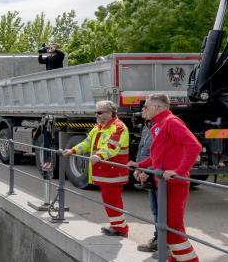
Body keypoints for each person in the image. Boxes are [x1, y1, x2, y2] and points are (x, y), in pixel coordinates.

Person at [129, 94, 201, 262]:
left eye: (146, 106)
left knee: (173, 228)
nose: (143, 109)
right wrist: (140, 164)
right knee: (169, 227)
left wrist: (179, 171)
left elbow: (194, 146)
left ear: (157, 107)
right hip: (165, 182)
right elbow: (159, 155)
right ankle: (174, 259)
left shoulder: (171, 122)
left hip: (175, 182)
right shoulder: (160, 124)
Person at [62, 100, 130, 236]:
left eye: (99, 112)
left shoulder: (119, 127)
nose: (96, 115)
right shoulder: (99, 127)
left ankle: (121, 229)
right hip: (105, 171)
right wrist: (73, 150)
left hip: (113, 172)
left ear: (110, 113)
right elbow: (87, 143)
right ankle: (117, 226)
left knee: (113, 200)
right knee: (109, 200)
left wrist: (99, 155)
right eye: (96, 112)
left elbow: (112, 147)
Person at [135, 107, 158, 253]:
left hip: (156, 174)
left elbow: (160, 153)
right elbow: (142, 148)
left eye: (145, 107)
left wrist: (148, 170)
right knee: (155, 210)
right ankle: (158, 239)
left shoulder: (161, 126)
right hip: (148, 173)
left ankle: (165, 245)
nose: (142, 109)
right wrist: (138, 167)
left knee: (163, 211)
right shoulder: (147, 125)